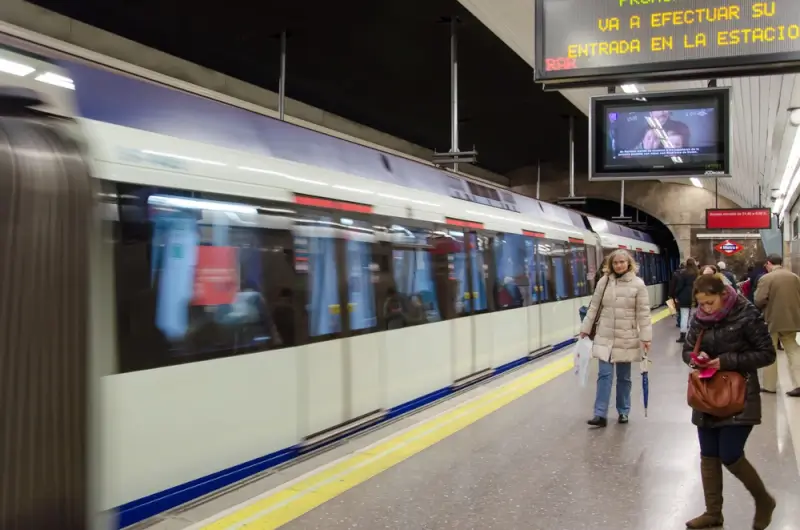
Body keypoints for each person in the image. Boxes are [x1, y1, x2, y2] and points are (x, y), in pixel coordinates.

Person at [682, 274, 776, 530]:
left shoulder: (746, 314)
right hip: (707, 392)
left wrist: (726, 361)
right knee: (708, 454)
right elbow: (687, 349)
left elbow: (767, 354)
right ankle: (713, 513)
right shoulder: (699, 318)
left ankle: (764, 501)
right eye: (701, 304)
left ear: (723, 295)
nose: (706, 309)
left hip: (739, 394)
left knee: (730, 453)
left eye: (710, 302)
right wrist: (695, 357)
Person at [580, 249, 651, 427]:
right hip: (605, 335)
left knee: (624, 377)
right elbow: (594, 307)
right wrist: (585, 329)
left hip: (626, 336)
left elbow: (644, 313)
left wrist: (646, 337)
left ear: (629, 263)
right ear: (610, 265)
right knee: (604, 374)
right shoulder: (604, 282)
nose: (619, 265)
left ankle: (623, 411)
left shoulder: (638, 284)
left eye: (622, 262)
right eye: (615, 263)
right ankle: (600, 414)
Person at [754, 254, 800, 397]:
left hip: (772, 320)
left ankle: (769, 386)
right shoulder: (795, 277)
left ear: (768, 263)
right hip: (792, 319)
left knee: (770, 351)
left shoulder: (766, 278)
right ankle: (799, 383)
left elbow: (759, 299)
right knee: (793, 349)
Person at [674, 258, 700, 343]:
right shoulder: (697, 273)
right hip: (696, 296)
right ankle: (696, 336)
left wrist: (676, 295)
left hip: (684, 295)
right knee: (697, 315)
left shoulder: (683, 273)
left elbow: (679, 286)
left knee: (684, 316)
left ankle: (683, 335)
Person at [670, 262, 686, 328]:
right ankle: (685, 323)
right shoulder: (688, 274)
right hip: (686, 294)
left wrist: (670, 294)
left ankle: (679, 322)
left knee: (678, 309)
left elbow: (672, 285)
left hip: (677, 294)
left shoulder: (675, 274)